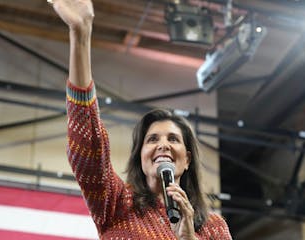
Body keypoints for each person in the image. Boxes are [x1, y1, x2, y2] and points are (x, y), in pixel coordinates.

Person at [50, 0, 232, 239]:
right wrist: (81, 35)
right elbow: (88, 148)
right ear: (141, 156)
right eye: (152, 139)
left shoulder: (214, 228)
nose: (162, 145)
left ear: (187, 159)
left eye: (173, 139)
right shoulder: (117, 203)